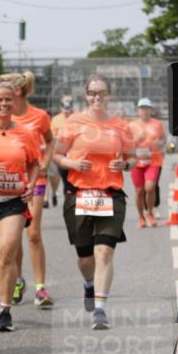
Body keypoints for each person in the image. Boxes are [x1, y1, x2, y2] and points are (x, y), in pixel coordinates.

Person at [53, 75, 135, 330]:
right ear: (86, 95)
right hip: (80, 194)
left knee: (105, 251)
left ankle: (100, 308)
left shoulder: (121, 125)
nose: (97, 97)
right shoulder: (73, 122)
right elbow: (56, 155)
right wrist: (73, 164)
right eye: (92, 93)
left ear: (109, 95)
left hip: (110, 193)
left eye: (102, 93)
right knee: (86, 257)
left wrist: (124, 164)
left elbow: (131, 158)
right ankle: (89, 284)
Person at [0, 83, 40, 332]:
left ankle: (5, 309)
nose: (3, 105)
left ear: (14, 103)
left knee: (7, 254)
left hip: (14, 203)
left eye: (8, 100)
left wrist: (31, 184)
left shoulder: (25, 132)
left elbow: (34, 164)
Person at [0, 71, 55, 308]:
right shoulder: (1, 117)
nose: (2, 98)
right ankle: (18, 280)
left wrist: (46, 164)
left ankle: (40, 287)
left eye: (5, 91)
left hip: (36, 181)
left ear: (17, 92)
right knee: (14, 236)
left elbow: (50, 141)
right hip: (11, 183)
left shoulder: (39, 116)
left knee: (33, 233)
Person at [129, 97, 166, 228]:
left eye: (146, 108)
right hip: (136, 162)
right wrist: (136, 140)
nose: (144, 111)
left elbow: (163, 139)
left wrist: (159, 144)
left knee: (150, 188)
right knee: (139, 191)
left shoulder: (157, 124)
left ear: (151, 110)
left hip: (153, 161)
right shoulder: (132, 125)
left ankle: (150, 212)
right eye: (142, 108)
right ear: (138, 110)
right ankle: (141, 216)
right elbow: (126, 144)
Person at [50, 95, 75, 202]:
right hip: (62, 156)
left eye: (68, 109)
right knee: (65, 180)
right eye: (64, 109)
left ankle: (72, 200)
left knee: (73, 181)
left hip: (75, 155)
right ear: (61, 108)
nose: (66, 112)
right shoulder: (56, 120)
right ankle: (67, 200)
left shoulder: (77, 118)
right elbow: (52, 137)